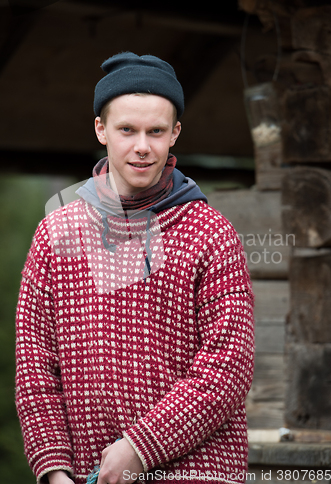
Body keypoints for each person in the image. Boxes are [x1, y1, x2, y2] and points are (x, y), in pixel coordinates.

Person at [15, 52, 255, 484]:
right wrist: (54, 470)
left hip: (197, 472)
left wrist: (141, 446)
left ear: (175, 134)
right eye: (127, 129)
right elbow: (35, 364)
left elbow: (229, 364)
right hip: (87, 474)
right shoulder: (56, 234)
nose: (142, 146)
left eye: (156, 131)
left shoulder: (211, 234)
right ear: (101, 129)